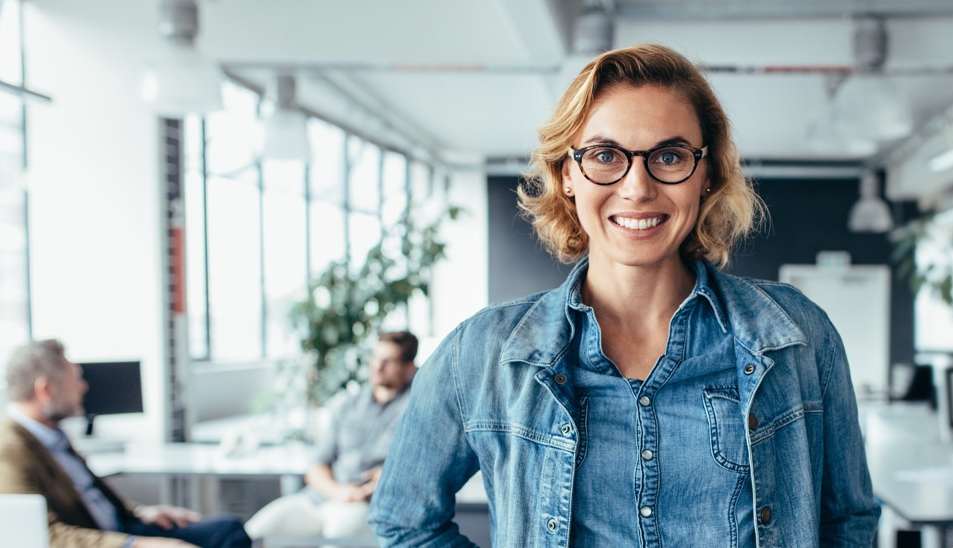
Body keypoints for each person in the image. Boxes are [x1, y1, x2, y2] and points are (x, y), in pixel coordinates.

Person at [369, 44, 880, 547]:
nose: (638, 187)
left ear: (706, 175)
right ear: (567, 174)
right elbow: (404, 521)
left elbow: (849, 523)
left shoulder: (798, 338)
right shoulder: (478, 354)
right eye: (606, 155)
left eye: (671, 155)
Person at [0, 339, 251, 548]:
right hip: (102, 541)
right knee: (224, 537)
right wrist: (135, 544)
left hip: (121, 526)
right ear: (46, 390)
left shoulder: (51, 435)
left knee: (227, 530)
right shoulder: (9, 449)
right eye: (75, 379)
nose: (83, 387)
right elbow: (44, 536)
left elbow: (91, 497)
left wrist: (140, 511)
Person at [244, 331, 419, 541]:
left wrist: (379, 483)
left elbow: (418, 470)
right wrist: (338, 492)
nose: (377, 366)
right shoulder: (348, 404)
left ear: (409, 368)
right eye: (375, 358)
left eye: (388, 361)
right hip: (320, 498)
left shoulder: (417, 410)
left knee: (339, 533)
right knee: (254, 533)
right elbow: (317, 465)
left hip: (367, 504)